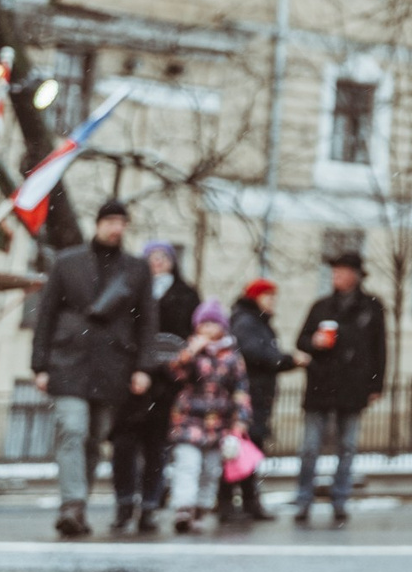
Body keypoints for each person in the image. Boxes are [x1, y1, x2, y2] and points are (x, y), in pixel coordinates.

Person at [31, 197, 154, 537]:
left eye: (122, 222)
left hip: (114, 365)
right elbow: (46, 315)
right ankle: (72, 503)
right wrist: (40, 364)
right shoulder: (67, 263)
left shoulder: (136, 269)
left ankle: (78, 507)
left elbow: (146, 322)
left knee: (94, 439)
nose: (117, 228)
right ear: (99, 223)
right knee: (72, 428)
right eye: (111, 220)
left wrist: (143, 367)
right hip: (68, 361)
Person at [293, 249, 386, 527]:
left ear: (355, 276)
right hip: (321, 385)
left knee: (347, 447)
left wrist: (376, 384)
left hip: (353, 387)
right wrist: (315, 343)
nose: (337, 277)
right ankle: (303, 500)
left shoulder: (371, 307)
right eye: (334, 272)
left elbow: (379, 349)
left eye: (342, 271)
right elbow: (301, 340)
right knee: (310, 447)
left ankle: (340, 501)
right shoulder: (321, 306)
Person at [112, 238, 199, 531]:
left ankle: (149, 505)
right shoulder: (130, 290)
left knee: (156, 445)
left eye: (164, 256)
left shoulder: (186, 295)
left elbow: (191, 333)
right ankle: (124, 503)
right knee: (124, 443)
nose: (158, 261)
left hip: (167, 382)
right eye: (153, 256)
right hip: (132, 377)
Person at [163, 300, 251, 533]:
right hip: (189, 420)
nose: (209, 329)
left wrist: (241, 419)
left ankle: (201, 507)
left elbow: (241, 389)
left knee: (211, 470)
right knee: (188, 465)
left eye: (214, 324)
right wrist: (190, 353)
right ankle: (184, 507)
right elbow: (176, 375)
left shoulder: (232, 357)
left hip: (218, 424)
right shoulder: (190, 351)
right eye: (204, 324)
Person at [224, 279, 301, 520]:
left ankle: (243, 502)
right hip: (250, 397)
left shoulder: (254, 322)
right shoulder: (248, 322)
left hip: (256, 396)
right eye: (268, 297)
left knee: (245, 450)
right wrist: (288, 360)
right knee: (241, 449)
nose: (273, 302)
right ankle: (234, 503)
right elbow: (258, 355)